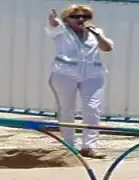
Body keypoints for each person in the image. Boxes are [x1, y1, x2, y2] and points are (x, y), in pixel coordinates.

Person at [46, 5, 114, 159]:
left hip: (93, 74)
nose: (81, 19)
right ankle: (70, 145)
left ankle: (89, 146)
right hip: (65, 74)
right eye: (75, 16)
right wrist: (53, 21)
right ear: (67, 19)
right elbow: (53, 28)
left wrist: (96, 34)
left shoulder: (97, 32)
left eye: (85, 16)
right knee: (67, 109)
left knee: (92, 108)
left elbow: (108, 47)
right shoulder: (61, 30)